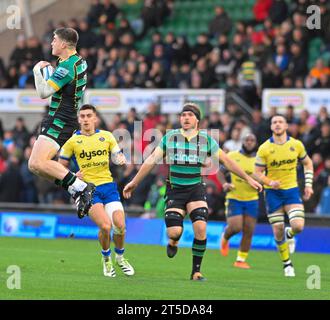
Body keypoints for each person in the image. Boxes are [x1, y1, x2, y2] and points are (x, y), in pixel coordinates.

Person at [123, 103, 262, 281]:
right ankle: (173, 242)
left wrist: (248, 178)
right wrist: (134, 182)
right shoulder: (170, 138)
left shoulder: (206, 141)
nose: (186, 118)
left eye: (190, 115)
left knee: (201, 228)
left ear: (197, 120)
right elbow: (151, 160)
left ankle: (196, 271)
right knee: (174, 232)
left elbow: (227, 161)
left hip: (195, 188)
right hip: (175, 190)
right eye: (183, 115)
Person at [58, 104, 135, 277]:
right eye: (82, 116)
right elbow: (58, 166)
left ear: (95, 119)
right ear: (79, 119)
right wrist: (72, 174)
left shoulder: (107, 136)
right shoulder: (72, 142)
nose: (85, 119)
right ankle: (106, 260)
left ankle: (120, 258)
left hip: (108, 186)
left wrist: (120, 157)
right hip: (88, 190)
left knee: (120, 226)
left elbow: (116, 154)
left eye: (88, 116)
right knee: (106, 226)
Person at [29, 27, 95, 218]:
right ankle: (74, 186)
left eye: (54, 39)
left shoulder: (67, 66)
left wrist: (37, 70)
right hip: (62, 117)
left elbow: (43, 93)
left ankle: (80, 187)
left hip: (60, 119)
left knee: (38, 162)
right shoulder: (75, 61)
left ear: (64, 44)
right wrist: (51, 71)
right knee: (34, 166)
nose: (51, 43)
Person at [254, 114, 313, 277]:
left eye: (281, 122)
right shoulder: (264, 148)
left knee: (298, 226)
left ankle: (290, 234)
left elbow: (308, 163)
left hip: (291, 190)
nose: (277, 124)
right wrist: (269, 181)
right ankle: (287, 264)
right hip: (272, 193)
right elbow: (257, 172)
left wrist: (308, 184)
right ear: (271, 127)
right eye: (274, 122)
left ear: (286, 126)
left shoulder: (296, 145)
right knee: (277, 229)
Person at [219, 134, 259, 269]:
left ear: (255, 143)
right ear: (242, 141)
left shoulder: (260, 160)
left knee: (249, 230)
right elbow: (220, 172)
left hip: (252, 198)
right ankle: (225, 237)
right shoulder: (232, 156)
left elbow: (265, 177)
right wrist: (225, 184)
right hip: (234, 196)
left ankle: (240, 260)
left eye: (252, 140)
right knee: (236, 227)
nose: (249, 142)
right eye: (247, 140)